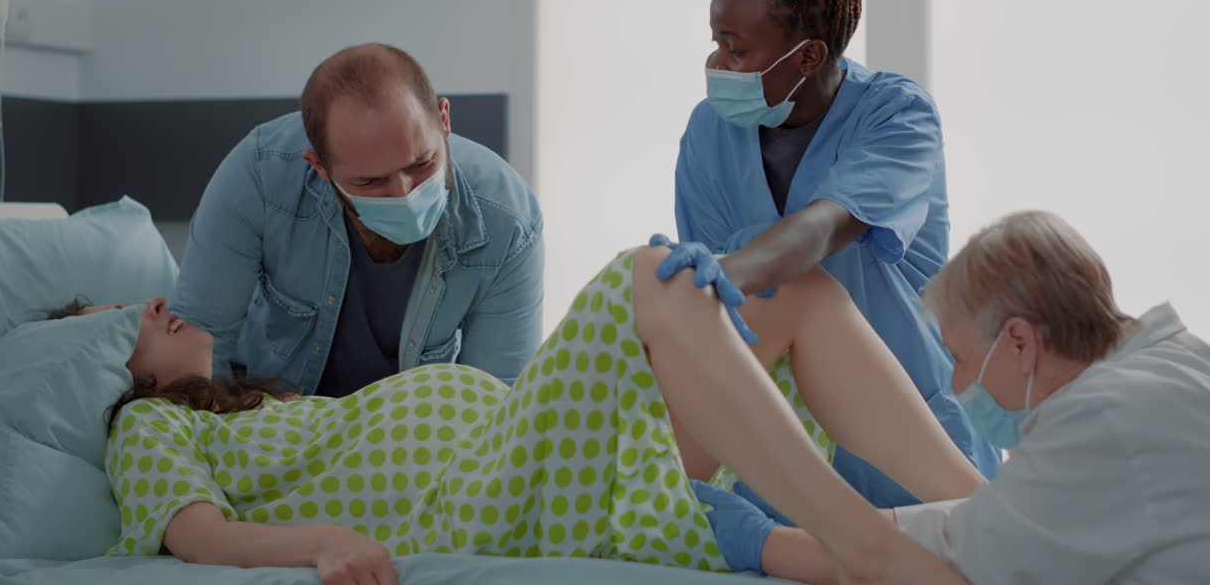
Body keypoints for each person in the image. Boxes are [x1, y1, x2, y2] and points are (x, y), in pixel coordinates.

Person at [103, 239, 986, 584]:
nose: (152, 305)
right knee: (646, 276)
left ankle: (996, 516)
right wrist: (323, 542)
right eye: (116, 320)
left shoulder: (265, 398)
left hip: (535, 469)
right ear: (111, 364)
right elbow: (200, 540)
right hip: (478, 507)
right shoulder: (150, 426)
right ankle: (869, 547)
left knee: (795, 287)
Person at [703, 211, 1210, 583]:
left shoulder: (1100, 421)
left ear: (1020, 341)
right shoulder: (1179, 365)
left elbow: (944, 562)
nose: (955, 386)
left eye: (959, 359)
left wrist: (763, 543)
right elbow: (990, 526)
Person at [674, 0, 999, 506]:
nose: (716, 62)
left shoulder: (898, 116)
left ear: (809, 56)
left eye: (736, 48)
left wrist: (728, 270)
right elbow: (722, 317)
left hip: (909, 422)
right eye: (717, 41)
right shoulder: (709, 131)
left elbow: (823, 231)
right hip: (777, 440)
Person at [169, 44, 545, 397]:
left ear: (444, 120)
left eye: (422, 164)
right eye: (370, 181)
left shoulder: (508, 221)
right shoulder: (259, 176)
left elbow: (496, 403)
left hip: (414, 437)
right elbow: (197, 346)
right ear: (320, 167)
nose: (405, 195)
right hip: (270, 421)